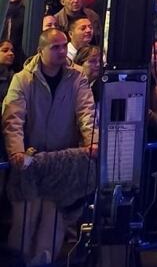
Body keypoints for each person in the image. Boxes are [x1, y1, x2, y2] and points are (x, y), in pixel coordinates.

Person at [2, 28, 97, 264]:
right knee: (25, 220)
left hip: (59, 162)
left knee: (52, 219)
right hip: (31, 161)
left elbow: (87, 112)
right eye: (55, 47)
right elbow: (13, 118)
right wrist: (16, 151)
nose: (62, 51)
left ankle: (44, 261)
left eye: (64, 45)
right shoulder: (22, 79)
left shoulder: (76, 77)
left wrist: (93, 140)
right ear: (41, 50)